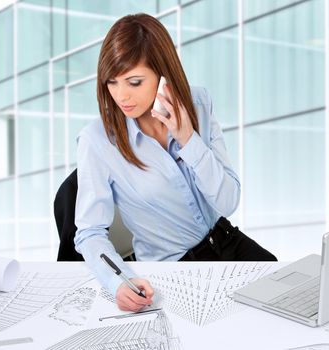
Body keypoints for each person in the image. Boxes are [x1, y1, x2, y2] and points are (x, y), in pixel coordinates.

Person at [74, 13, 276, 313]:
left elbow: (228, 200)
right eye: (112, 83)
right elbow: (89, 233)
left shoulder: (198, 104)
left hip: (227, 241)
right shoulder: (98, 140)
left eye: (134, 82)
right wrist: (118, 281)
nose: (121, 96)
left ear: (163, 73)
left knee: (292, 298)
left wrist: (187, 138)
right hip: (174, 269)